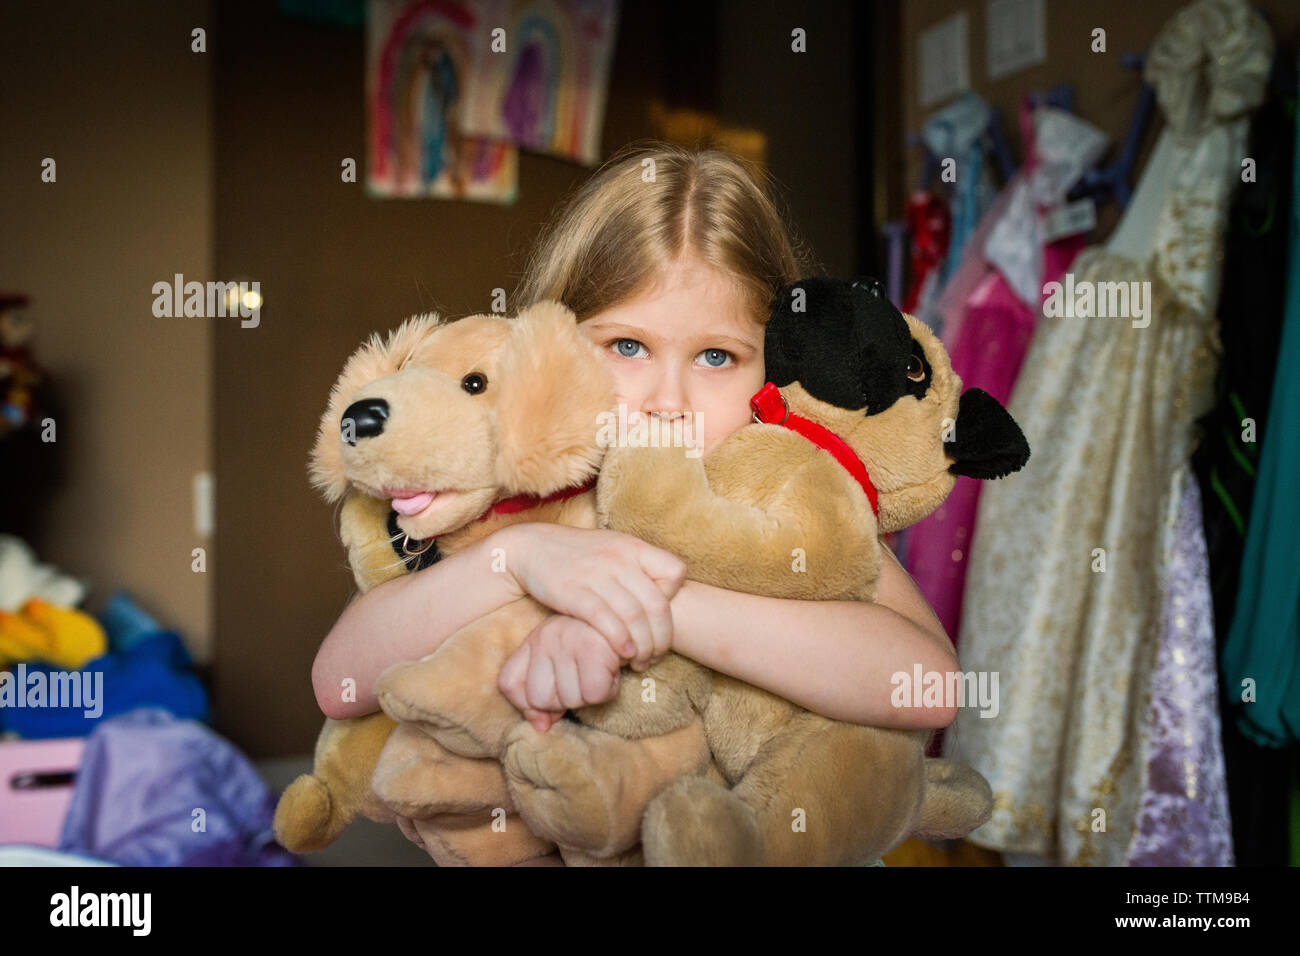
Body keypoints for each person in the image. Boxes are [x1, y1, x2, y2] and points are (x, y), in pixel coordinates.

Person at [312, 142, 960, 864]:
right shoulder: (519, 492)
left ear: (774, 364)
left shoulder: (770, 489)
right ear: (551, 341)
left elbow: (927, 684)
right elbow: (339, 680)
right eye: (626, 347)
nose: (666, 401)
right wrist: (523, 559)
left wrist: (647, 609)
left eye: (716, 357)